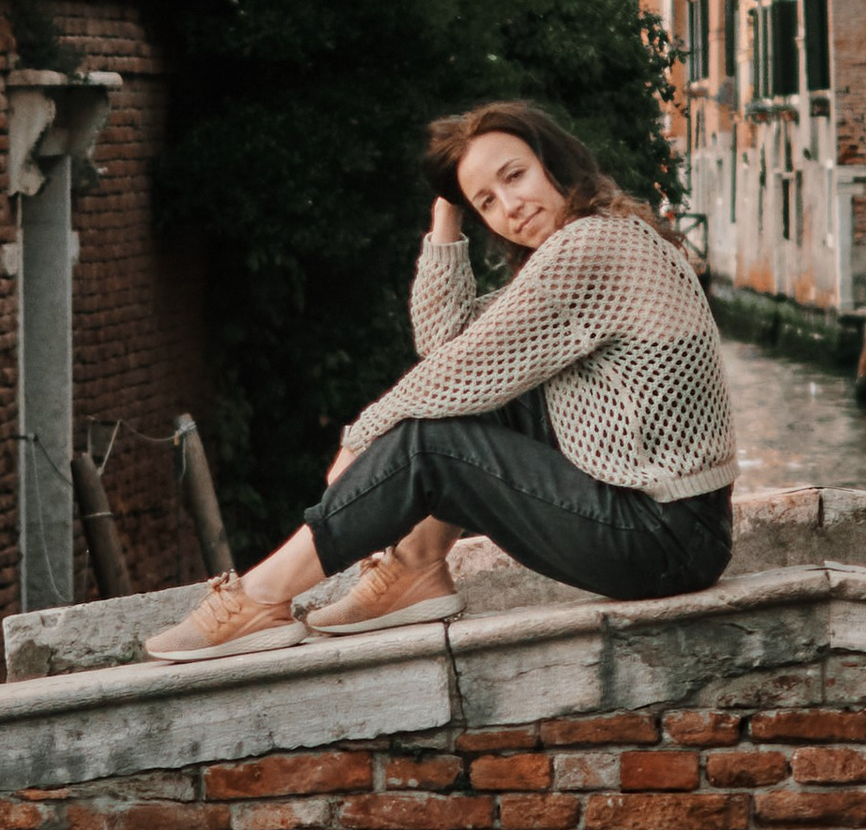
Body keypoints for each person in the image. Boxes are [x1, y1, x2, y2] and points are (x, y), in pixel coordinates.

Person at [145, 103, 736, 658]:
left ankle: (260, 597)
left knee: (428, 444)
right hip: (670, 531)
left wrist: (362, 436)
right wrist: (446, 215)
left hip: (663, 536)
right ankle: (416, 571)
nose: (510, 204)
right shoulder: (591, 239)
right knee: (460, 410)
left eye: (516, 175)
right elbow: (447, 347)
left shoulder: (594, 245)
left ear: (554, 162)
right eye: (486, 200)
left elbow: (463, 365)